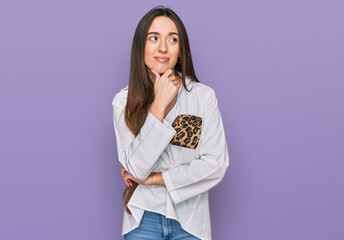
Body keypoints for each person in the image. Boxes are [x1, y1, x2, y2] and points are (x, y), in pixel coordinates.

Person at [112, 5, 229, 240]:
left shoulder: (202, 96)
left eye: (172, 39)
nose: (163, 47)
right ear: (140, 47)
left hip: (191, 224)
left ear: (181, 51)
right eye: (153, 38)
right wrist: (158, 106)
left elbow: (216, 164)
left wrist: (156, 179)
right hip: (142, 221)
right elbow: (135, 168)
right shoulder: (122, 101)